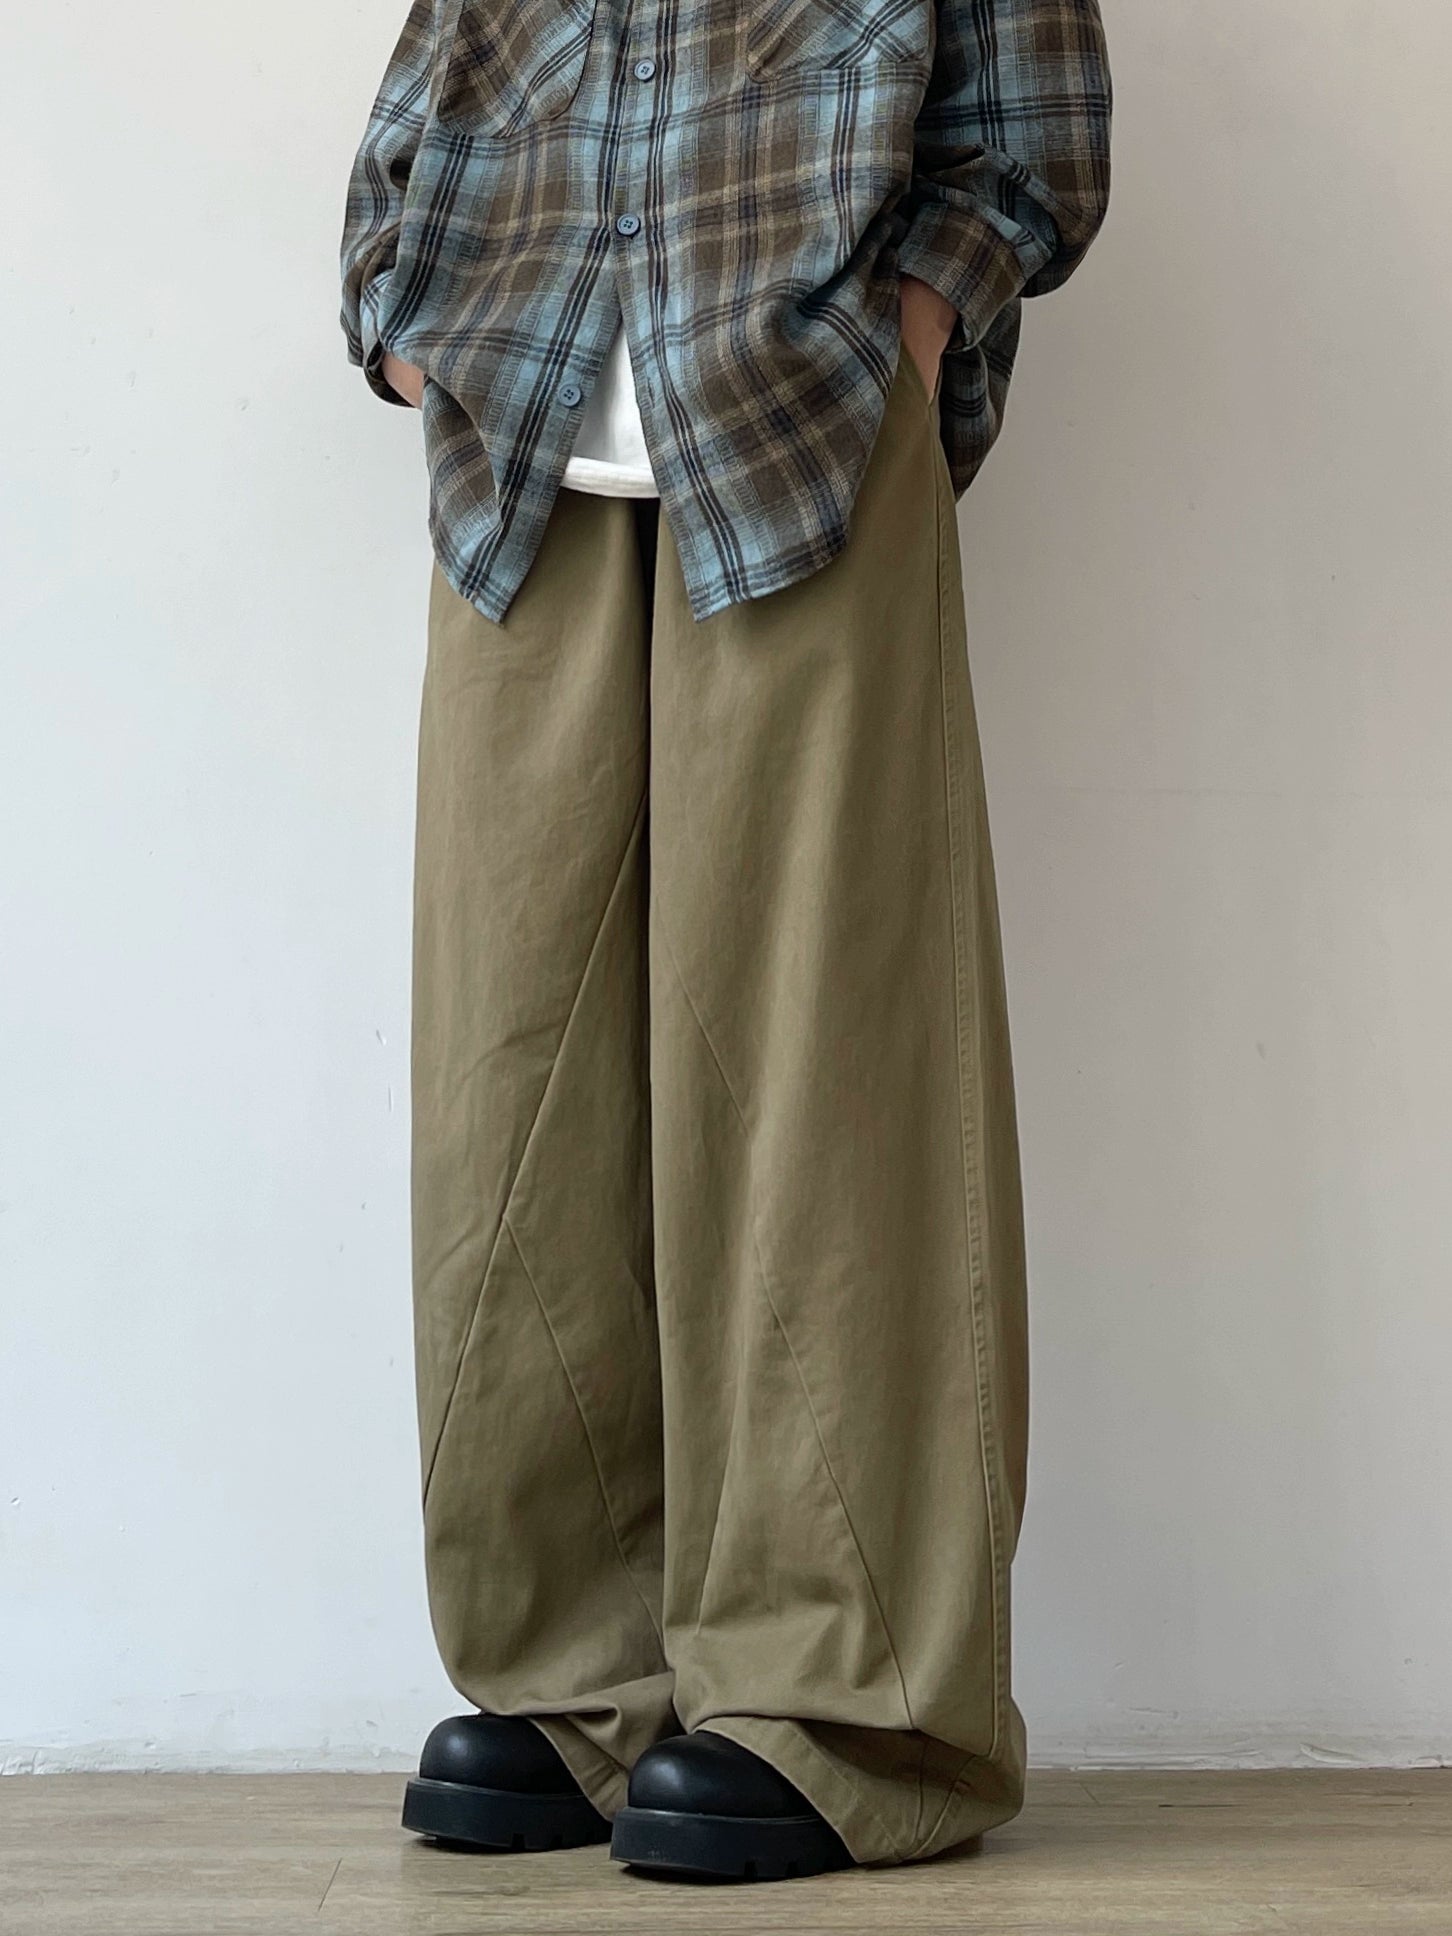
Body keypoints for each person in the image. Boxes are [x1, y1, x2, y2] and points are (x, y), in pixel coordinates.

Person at [338, 0, 1110, 1885]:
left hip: (804, 444)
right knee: (509, 1082)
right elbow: (420, 107)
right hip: (520, 466)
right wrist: (401, 322)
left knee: (819, 1061)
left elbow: (1037, 131)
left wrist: (911, 323)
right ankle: (571, 1681)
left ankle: (841, 1699)